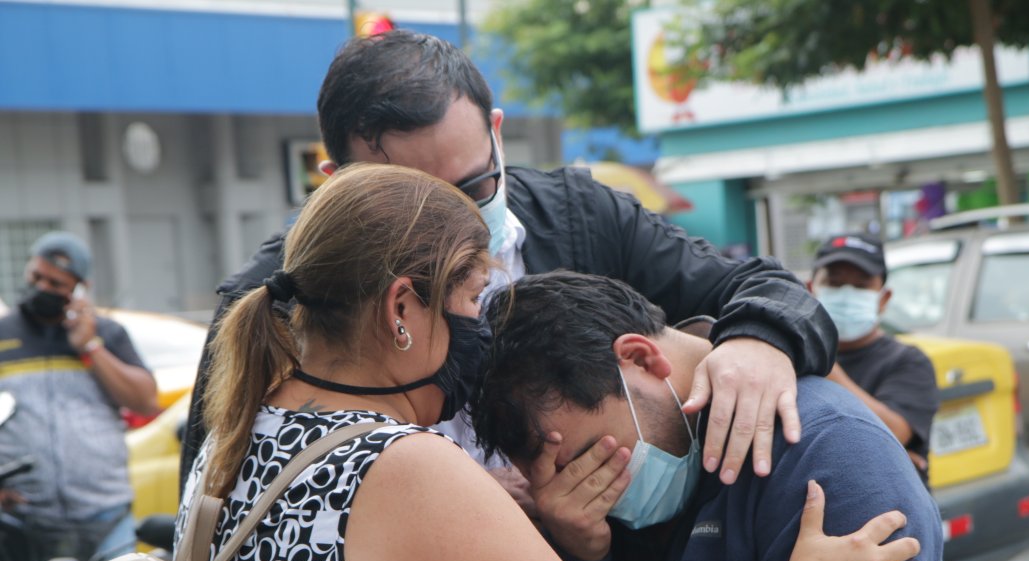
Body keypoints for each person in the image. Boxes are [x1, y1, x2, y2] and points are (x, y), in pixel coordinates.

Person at [179, 163, 923, 561]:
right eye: (470, 302)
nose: (478, 333)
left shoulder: (239, 432)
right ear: (402, 310)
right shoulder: (399, 468)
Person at [179, 29, 839, 504]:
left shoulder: (582, 215)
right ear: (340, 185)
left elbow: (760, 285)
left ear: (497, 130)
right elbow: (217, 498)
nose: (461, 230)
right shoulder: (274, 298)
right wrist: (457, 506)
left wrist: (759, 340)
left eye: (475, 187)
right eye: (419, 207)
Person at [469, 271, 954, 561]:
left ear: (640, 358)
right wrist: (587, 559)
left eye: (586, 458)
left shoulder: (830, 451)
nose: (574, 491)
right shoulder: (624, 488)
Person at [0, 232, 158, 561]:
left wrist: (89, 346)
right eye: (36, 277)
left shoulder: (107, 334)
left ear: (78, 289)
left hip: (106, 514)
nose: (42, 287)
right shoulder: (3, 334)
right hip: (23, 521)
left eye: (55, 284)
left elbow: (145, 400)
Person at [807, 233, 939, 485]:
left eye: (860, 286)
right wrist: (882, 455)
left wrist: (822, 365)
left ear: (884, 298)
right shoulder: (788, 357)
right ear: (811, 290)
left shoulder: (908, 362)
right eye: (834, 283)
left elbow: (891, 432)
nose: (846, 294)